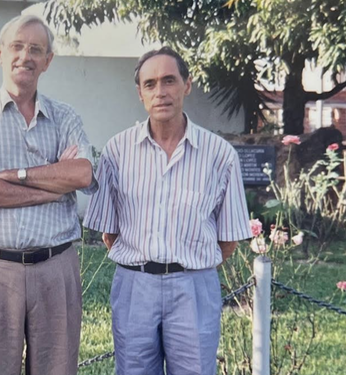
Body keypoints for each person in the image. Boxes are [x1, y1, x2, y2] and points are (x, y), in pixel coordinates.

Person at [0, 14, 98, 375]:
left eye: (36, 49)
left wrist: (13, 176)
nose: (25, 56)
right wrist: (50, 187)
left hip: (56, 268)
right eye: (17, 46)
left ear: (48, 60)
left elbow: (81, 173)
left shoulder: (65, 116)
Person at [83, 47, 252, 375]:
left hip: (193, 288)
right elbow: (109, 232)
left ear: (187, 85)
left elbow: (228, 239)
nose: (160, 92)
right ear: (140, 93)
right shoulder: (118, 151)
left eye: (169, 81)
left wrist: (188, 268)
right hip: (135, 286)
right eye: (150, 84)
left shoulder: (219, 155)